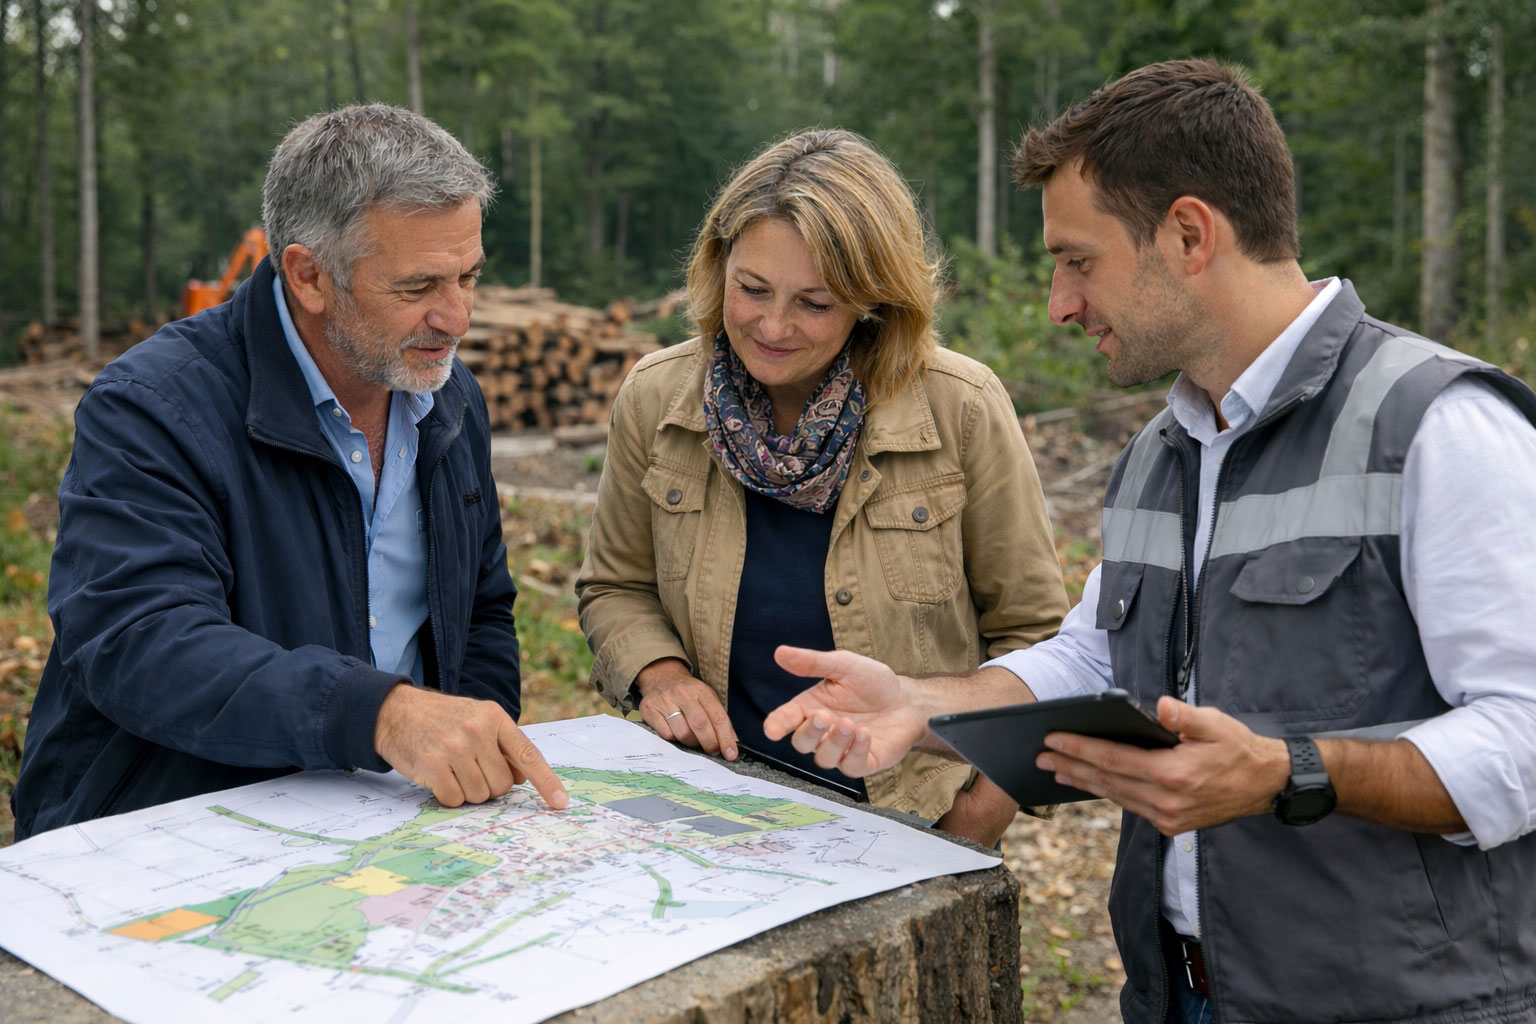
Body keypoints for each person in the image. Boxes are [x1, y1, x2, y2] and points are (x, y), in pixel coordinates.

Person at [764, 59, 1536, 1023]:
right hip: (1183, 997)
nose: (1059, 303)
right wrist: (925, 705)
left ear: (1187, 234)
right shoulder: (1161, 454)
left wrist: (1288, 772)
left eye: (1078, 260)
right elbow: (1095, 656)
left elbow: (1525, 735)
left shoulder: (1439, 428)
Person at [12, 104, 568, 842]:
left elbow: (481, 609)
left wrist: (473, 765)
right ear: (308, 275)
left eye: (468, 277)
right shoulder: (152, 407)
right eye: (418, 287)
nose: (457, 317)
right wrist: (379, 713)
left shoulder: (446, 396)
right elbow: (139, 641)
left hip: (382, 829)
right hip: (167, 836)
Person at [575, 128, 1068, 846]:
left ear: (874, 299)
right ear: (719, 270)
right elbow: (616, 586)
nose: (772, 326)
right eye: (752, 289)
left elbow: (1036, 645)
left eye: (814, 303)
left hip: (906, 821)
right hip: (700, 806)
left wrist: (975, 818)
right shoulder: (657, 398)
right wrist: (660, 673)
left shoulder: (960, 407)